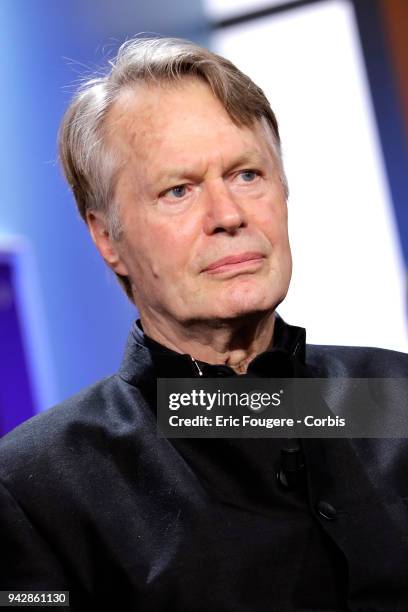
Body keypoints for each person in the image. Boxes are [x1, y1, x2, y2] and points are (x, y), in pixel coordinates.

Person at [0, 36, 407, 611]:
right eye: (179, 190)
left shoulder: (395, 396)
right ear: (106, 236)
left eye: (246, 174)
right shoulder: (35, 487)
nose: (228, 215)